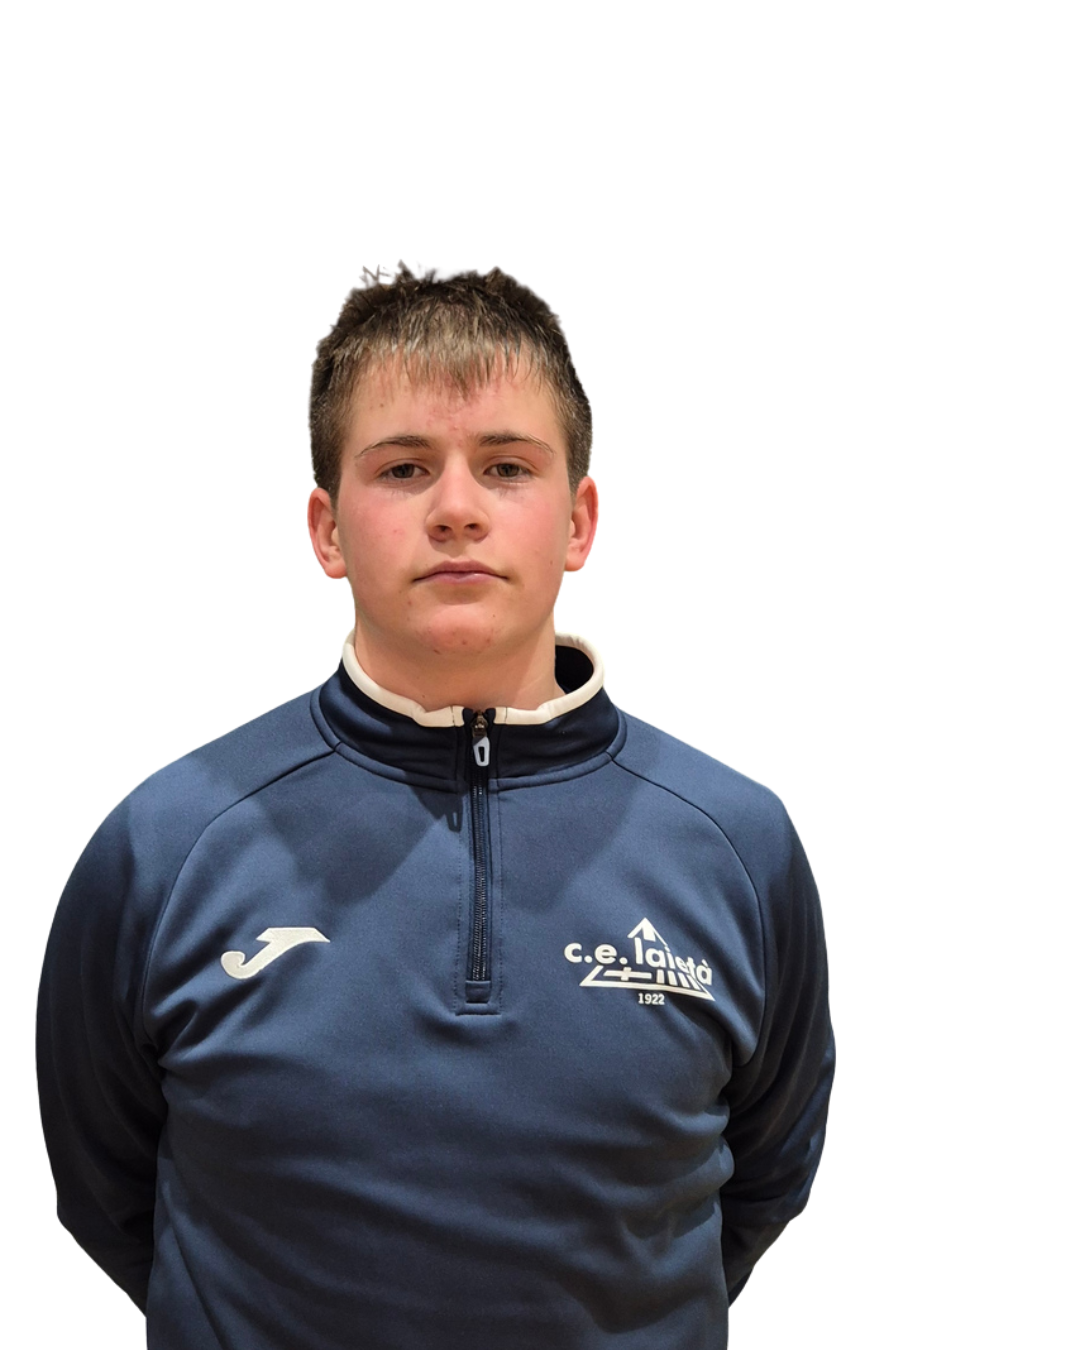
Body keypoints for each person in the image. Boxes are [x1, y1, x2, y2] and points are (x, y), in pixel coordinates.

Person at [37, 265, 834, 1349]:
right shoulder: (168, 847)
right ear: (327, 529)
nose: (457, 508)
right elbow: (109, 1194)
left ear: (578, 521)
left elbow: (763, 1178)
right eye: (404, 468)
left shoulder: (737, 846)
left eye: (506, 466)